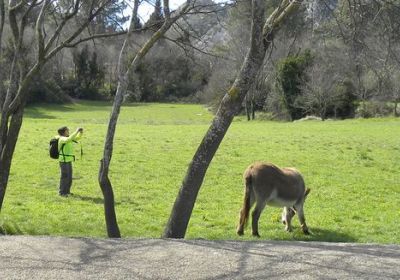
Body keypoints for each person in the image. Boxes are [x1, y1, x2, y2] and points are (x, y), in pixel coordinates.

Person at [56, 126, 83, 197]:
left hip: (68, 160)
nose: (68, 131)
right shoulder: (62, 139)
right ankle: (62, 192)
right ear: (64, 132)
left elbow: (77, 138)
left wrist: (80, 133)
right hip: (63, 161)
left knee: (69, 177)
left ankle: (67, 192)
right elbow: (69, 139)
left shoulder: (68, 138)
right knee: (64, 176)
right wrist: (76, 131)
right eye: (67, 130)